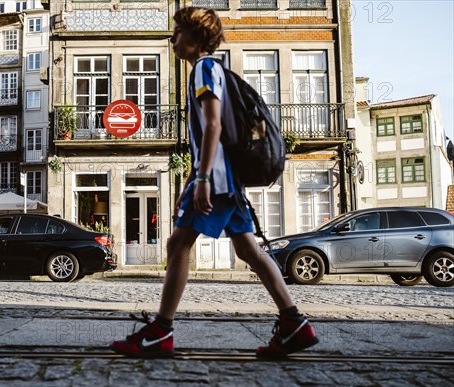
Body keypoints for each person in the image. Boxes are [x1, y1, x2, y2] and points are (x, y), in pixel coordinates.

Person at [110, 7, 318, 359]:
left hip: (217, 179)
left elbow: (213, 127)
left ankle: (161, 331)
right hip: (225, 180)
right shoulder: (211, 70)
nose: (172, 38)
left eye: (177, 32)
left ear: (193, 38)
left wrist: (203, 179)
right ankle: (294, 323)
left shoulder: (204, 69)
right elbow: (207, 134)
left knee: (178, 244)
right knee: (248, 249)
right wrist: (192, 179)